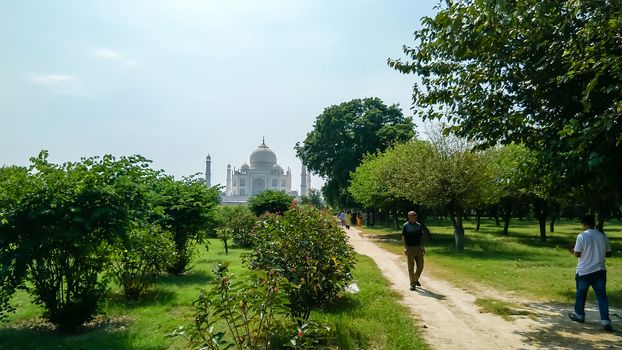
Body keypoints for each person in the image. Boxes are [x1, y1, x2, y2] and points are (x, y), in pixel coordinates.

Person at [568, 214, 613, 332]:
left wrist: (573, 250)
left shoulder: (582, 236)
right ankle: (605, 321)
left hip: (584, 271)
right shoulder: (602, 235)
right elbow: (609, 253)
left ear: (584, 224)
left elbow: (577, 253)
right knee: (602, 296)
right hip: (599, 270)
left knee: (581, 294)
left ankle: (579, 315)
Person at [402, 211, 429, 291]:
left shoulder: (419, 225)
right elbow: (403, 237)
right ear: (409, 217)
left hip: (418, 248)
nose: (414, 217)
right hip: (410, 248)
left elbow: (421, 237)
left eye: (415, 215)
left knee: (420, 266)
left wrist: (422, 247)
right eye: (413, 215)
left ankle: (415, 279)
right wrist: (405, 247)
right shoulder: (405, 226)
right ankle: (412, 284)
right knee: (411, 267)